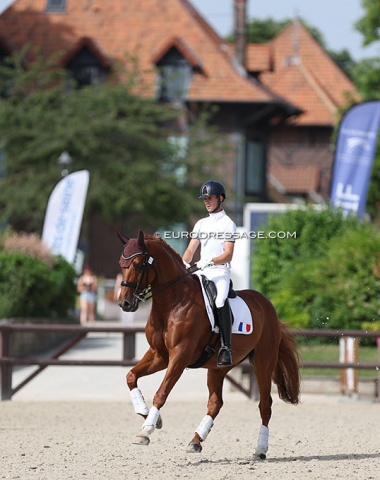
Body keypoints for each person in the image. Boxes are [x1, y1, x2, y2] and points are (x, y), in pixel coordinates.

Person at [182, 180, 237, 367]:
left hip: (220, 272)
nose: (207, 202)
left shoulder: (228, 224)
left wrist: (211, 260)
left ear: (220, 198)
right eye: (205, 198)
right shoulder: (200, 223)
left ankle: (226, 348)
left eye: (210, 198)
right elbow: (191, 250)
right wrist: (183, 262)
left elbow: (228, 254)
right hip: (201, 271)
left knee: (220, 301)